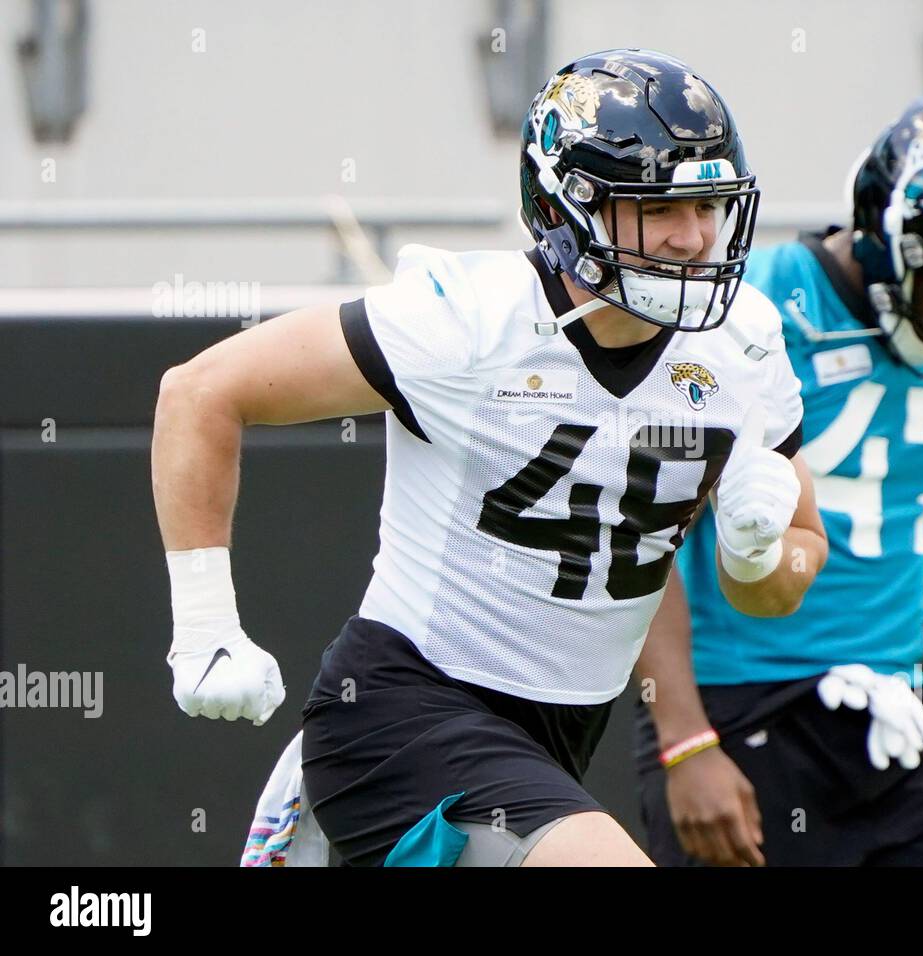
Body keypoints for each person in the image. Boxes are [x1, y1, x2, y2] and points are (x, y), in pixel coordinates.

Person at [151, 48, 827, 868]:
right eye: (658, 209)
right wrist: (204, 623)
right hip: (406, 710)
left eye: (708, 205)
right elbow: (200, 393)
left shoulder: (743, 343)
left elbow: (782, 581)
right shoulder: (467, 321)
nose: (693, 238)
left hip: (560, 732)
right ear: (567, 206)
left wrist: (756, 552)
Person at [634, 91, 923, 866]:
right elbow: (639, 537)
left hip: (885, 713)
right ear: (888, 240)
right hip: (741, 709)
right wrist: (685, 742)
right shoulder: (748, 309)